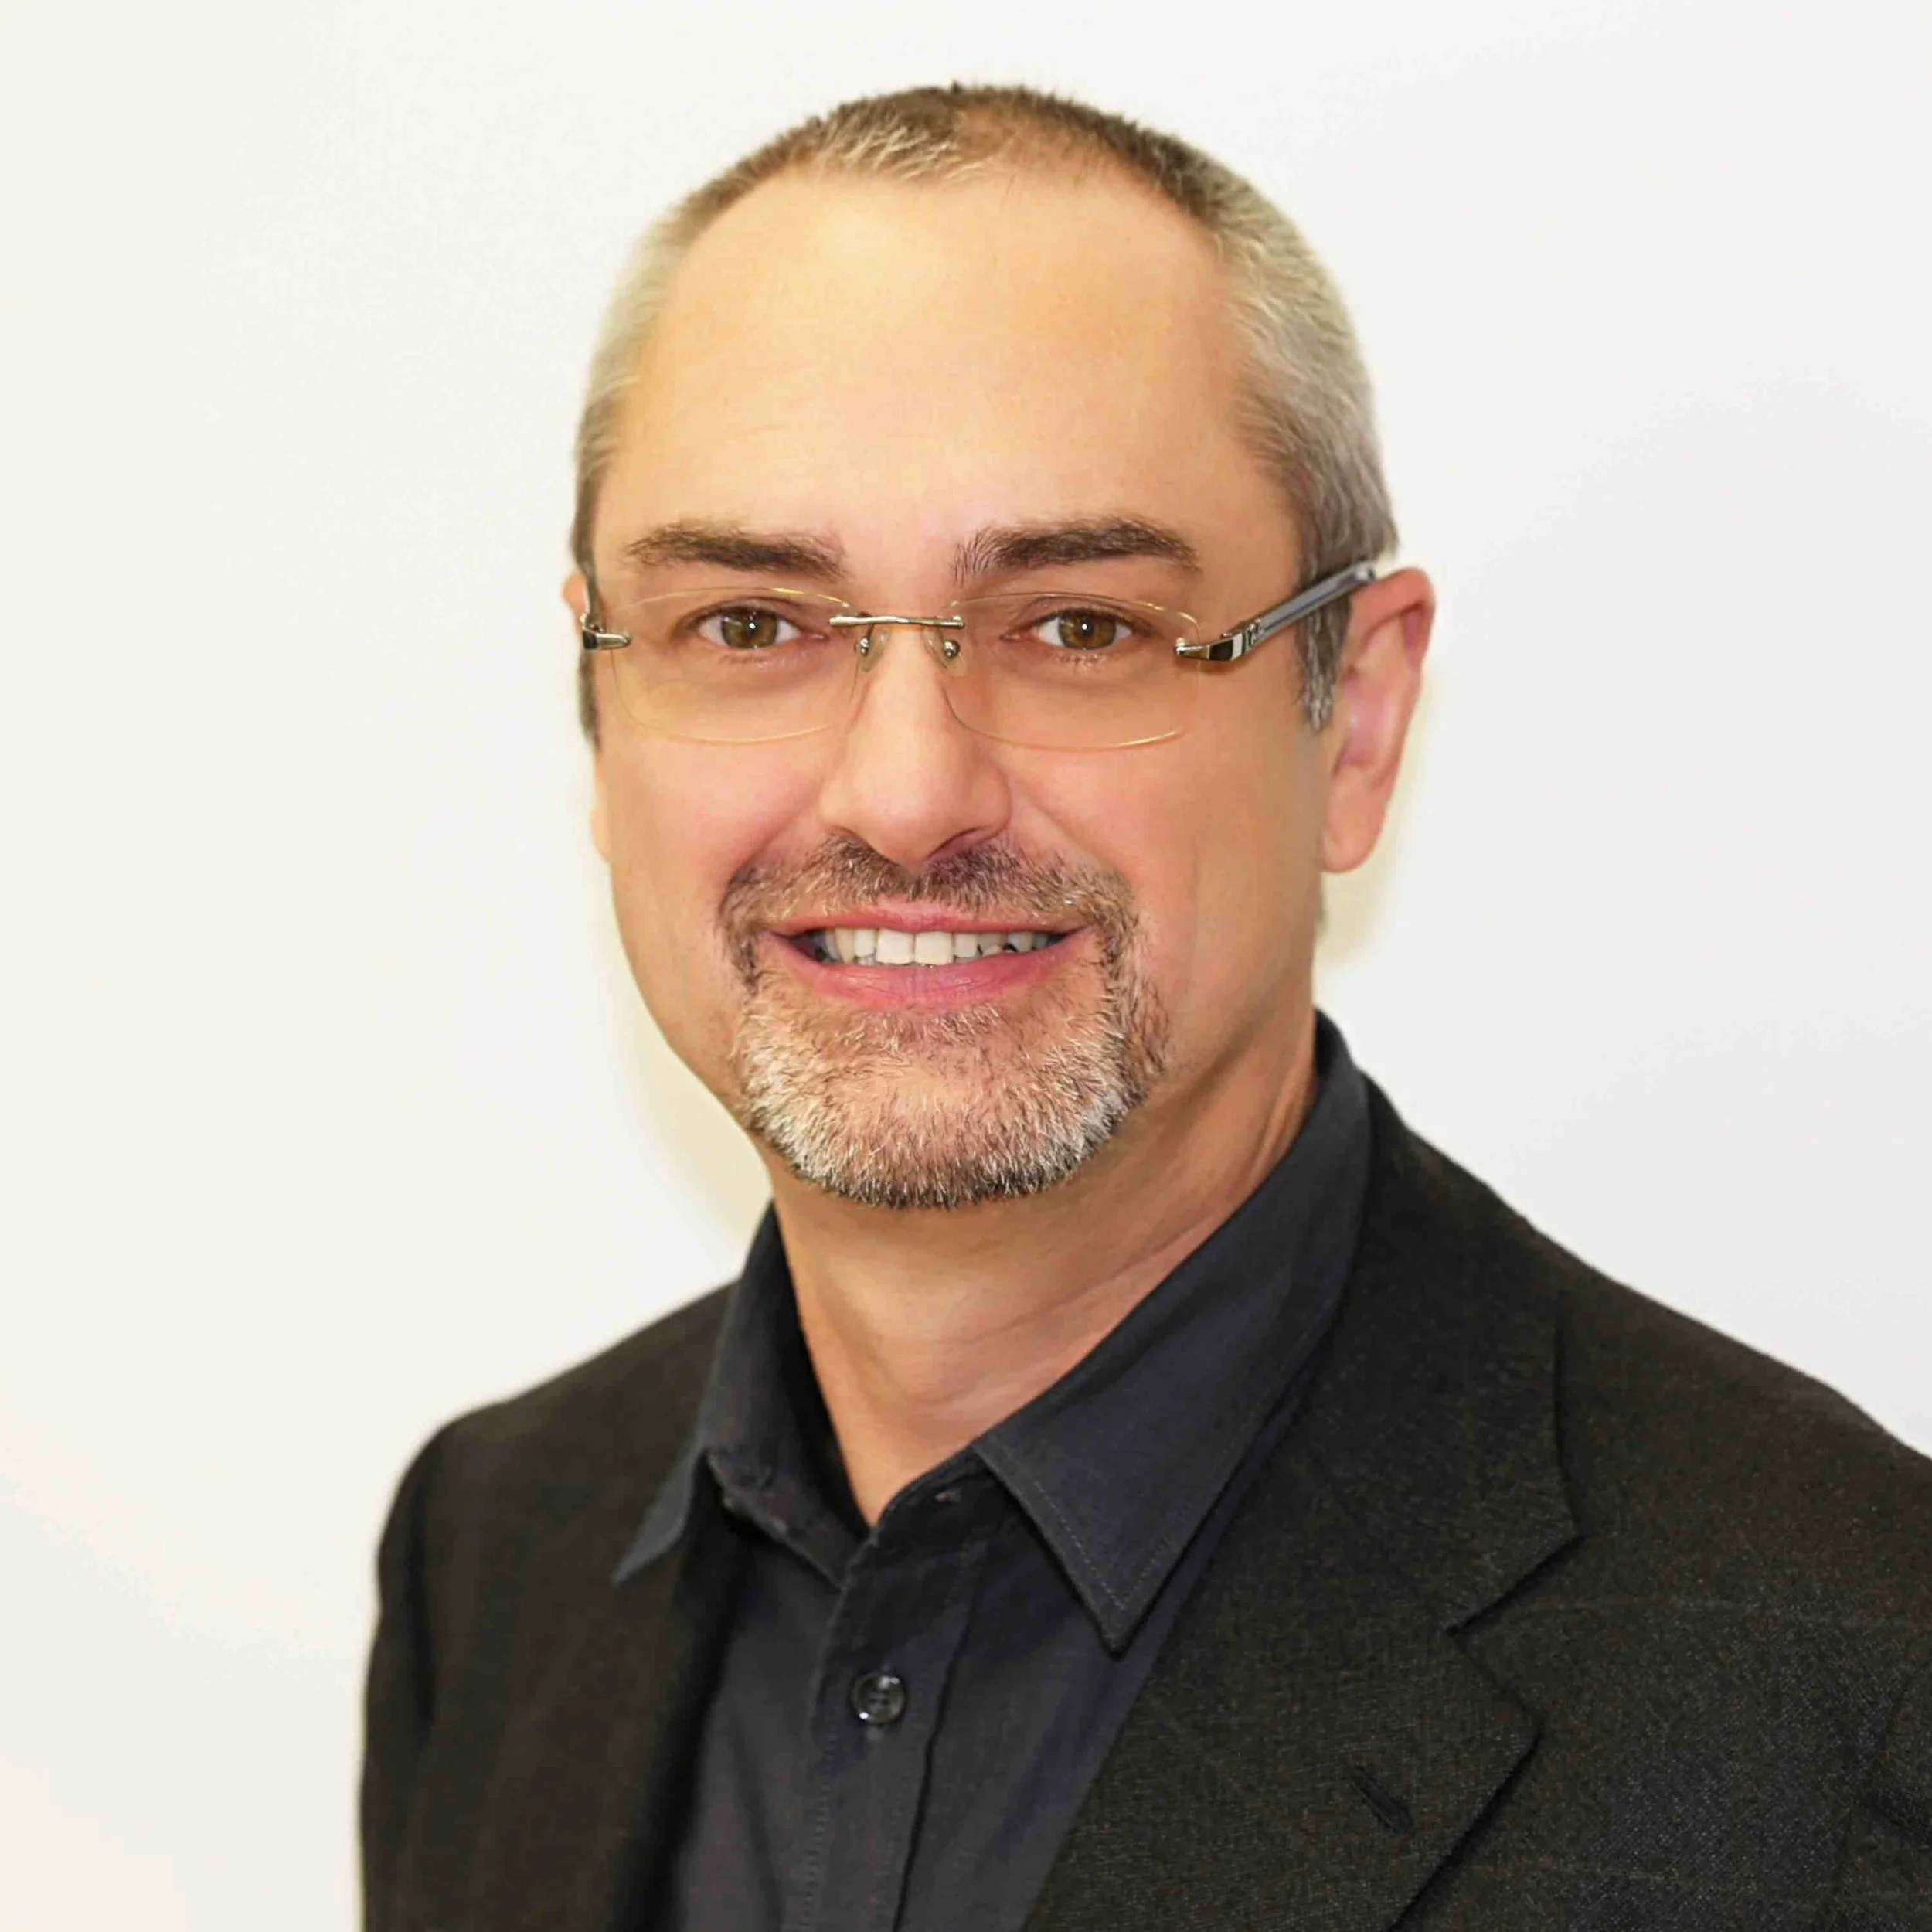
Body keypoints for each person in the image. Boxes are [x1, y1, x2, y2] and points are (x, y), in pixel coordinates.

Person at [360, 85, 1932, 1931]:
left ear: (1352, 721)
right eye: (752, 625)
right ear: (599, 706)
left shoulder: (1848, 1688)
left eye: (1078, 626)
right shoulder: (496, 1557)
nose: (902, 793)